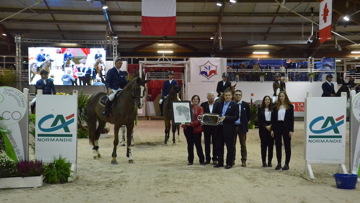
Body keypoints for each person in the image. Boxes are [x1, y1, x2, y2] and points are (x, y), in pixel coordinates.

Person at [213, 89, 239, 169]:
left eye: (229, 95)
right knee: (219, 146)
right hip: (219, 128)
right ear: (223, 96)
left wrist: (226, 118)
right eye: (226, 95)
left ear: (231, 96)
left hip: (229, 128)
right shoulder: (218, 104)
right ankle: (220, 162)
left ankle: (229, 163)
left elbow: (236, 117)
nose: (227, 97)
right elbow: (214, 114)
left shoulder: (235, 105)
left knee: (229, 147)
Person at [271, 91, 294, 171]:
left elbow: (292, 119)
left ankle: (287, 164)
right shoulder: (275, 106)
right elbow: (273, 119)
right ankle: (279, 163)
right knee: (278, 145)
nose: (281, 97)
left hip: (286, 127)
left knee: (287, 146)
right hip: (277, 127)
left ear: (285, 97)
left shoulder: (290, 106)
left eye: (283, 96)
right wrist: (272, 130)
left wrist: (291, 130)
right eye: (280, 96)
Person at [181, 95, 205, 165]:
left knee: (198, 145)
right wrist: (184, 123)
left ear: (199, 101)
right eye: (194, 99)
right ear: (192, 100)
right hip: (187, 129)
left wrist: (192, 124)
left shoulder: (200, 108)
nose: (195, 100)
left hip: (196, 129)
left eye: (197, 99)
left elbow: (199, 119)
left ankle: (202, 160)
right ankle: (190, 160)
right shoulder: (187, 107)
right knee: (190, 145)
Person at [233, 90, 250, 167]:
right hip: (232, 127)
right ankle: (232, 160)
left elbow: (248, 116)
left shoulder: (245, 105)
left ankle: (244, 160)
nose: (238, 96)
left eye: (239, 94)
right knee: (232, 145)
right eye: (236, 94)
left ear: (241, 96)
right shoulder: (231, 104)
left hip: (242, 127)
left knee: (243, 144)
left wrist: (244, 123)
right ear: (234, 95)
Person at [200, 91, 218, 164]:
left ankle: (215, 158)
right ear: (207, 97)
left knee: (215, 143)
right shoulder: (203, 104)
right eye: (209, 96)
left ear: (214, 97)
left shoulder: (218, 104)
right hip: (206, 127)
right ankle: (207, 159)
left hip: (215, 127)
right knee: (207, 143)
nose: (211, 97)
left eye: (212, 96)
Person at [257, 95, 274, 167]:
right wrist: (265, 126)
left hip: (272, 128)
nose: (267, 101)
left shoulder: (273, 109)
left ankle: (269, 162)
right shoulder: (260, 109)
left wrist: (271, 127)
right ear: (264, 101)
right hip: (263, 129)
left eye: (268, 100)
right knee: (263, 146)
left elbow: (275, 120)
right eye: (266, 100)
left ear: (270, 101)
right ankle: (264, 162)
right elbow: (259, 120)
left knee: (271, 146)